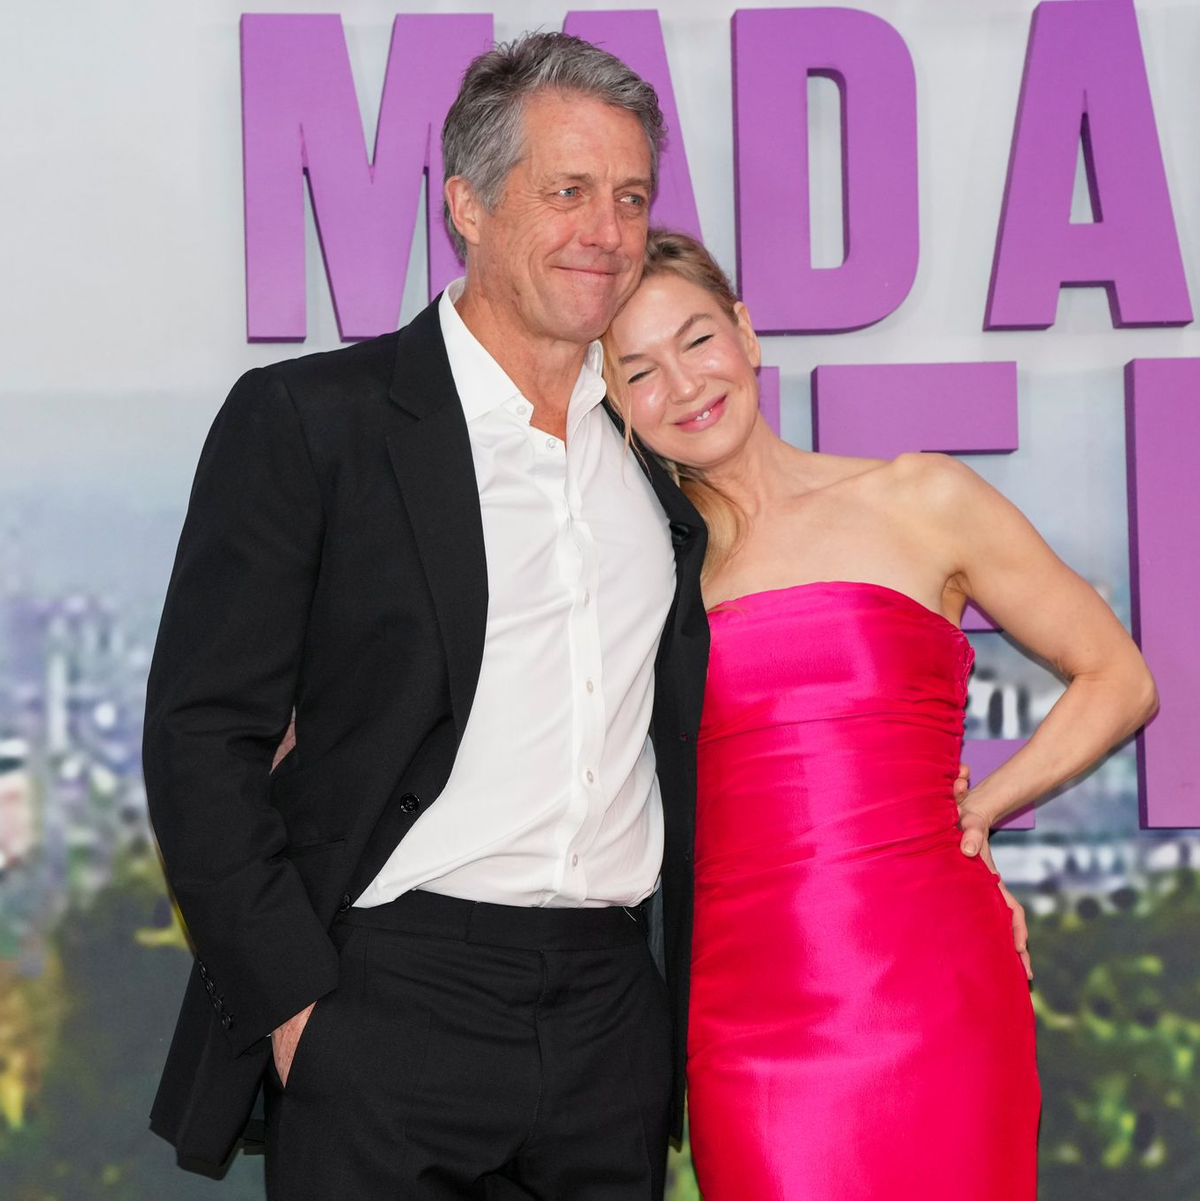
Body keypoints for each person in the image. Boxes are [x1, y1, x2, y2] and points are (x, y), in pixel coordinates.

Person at [142, 35, 711, 1199]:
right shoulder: (315, 422)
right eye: (567, 190)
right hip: (388, 1001)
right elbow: (200, 736)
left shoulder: (655, 452)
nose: (607, 230)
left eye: (631, 196)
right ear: (468, 205)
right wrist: (299, 1010)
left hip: (613, 1018)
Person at [602, 229, 1158, 1201]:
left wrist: (983, 808)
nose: (683, 385)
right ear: (611, 400)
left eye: (697, 339)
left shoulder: (922, 496)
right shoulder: (638, 573)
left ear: (746, 333)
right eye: (639, 370)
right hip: (744, 1024)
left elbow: (1118, 676)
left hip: (938, 988)